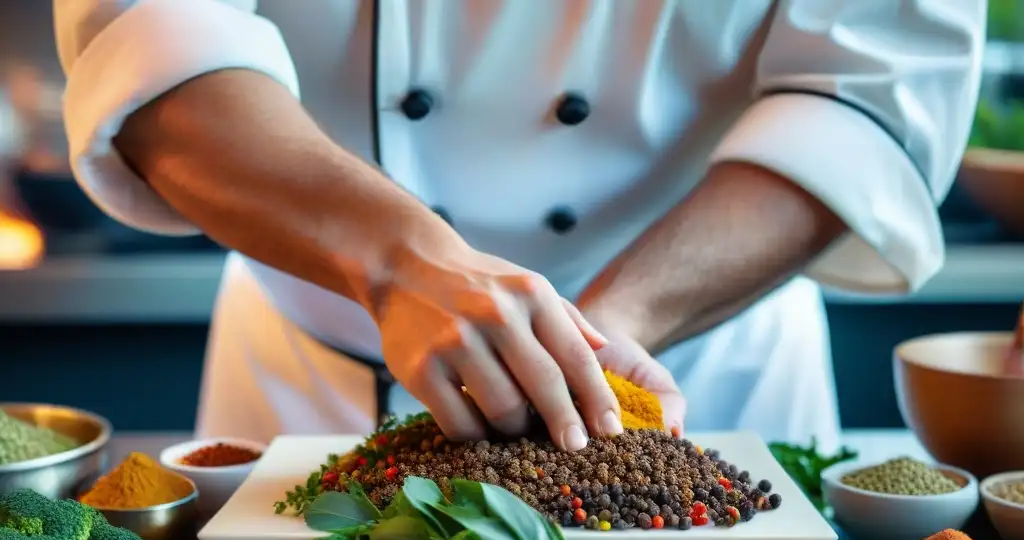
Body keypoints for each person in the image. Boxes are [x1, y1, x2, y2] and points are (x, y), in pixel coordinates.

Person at [54, 1, 985, 450]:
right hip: (316, 367)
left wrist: (590, 343)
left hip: (686, 375)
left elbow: (872, 90)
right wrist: (395, 259)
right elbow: (149, 46)